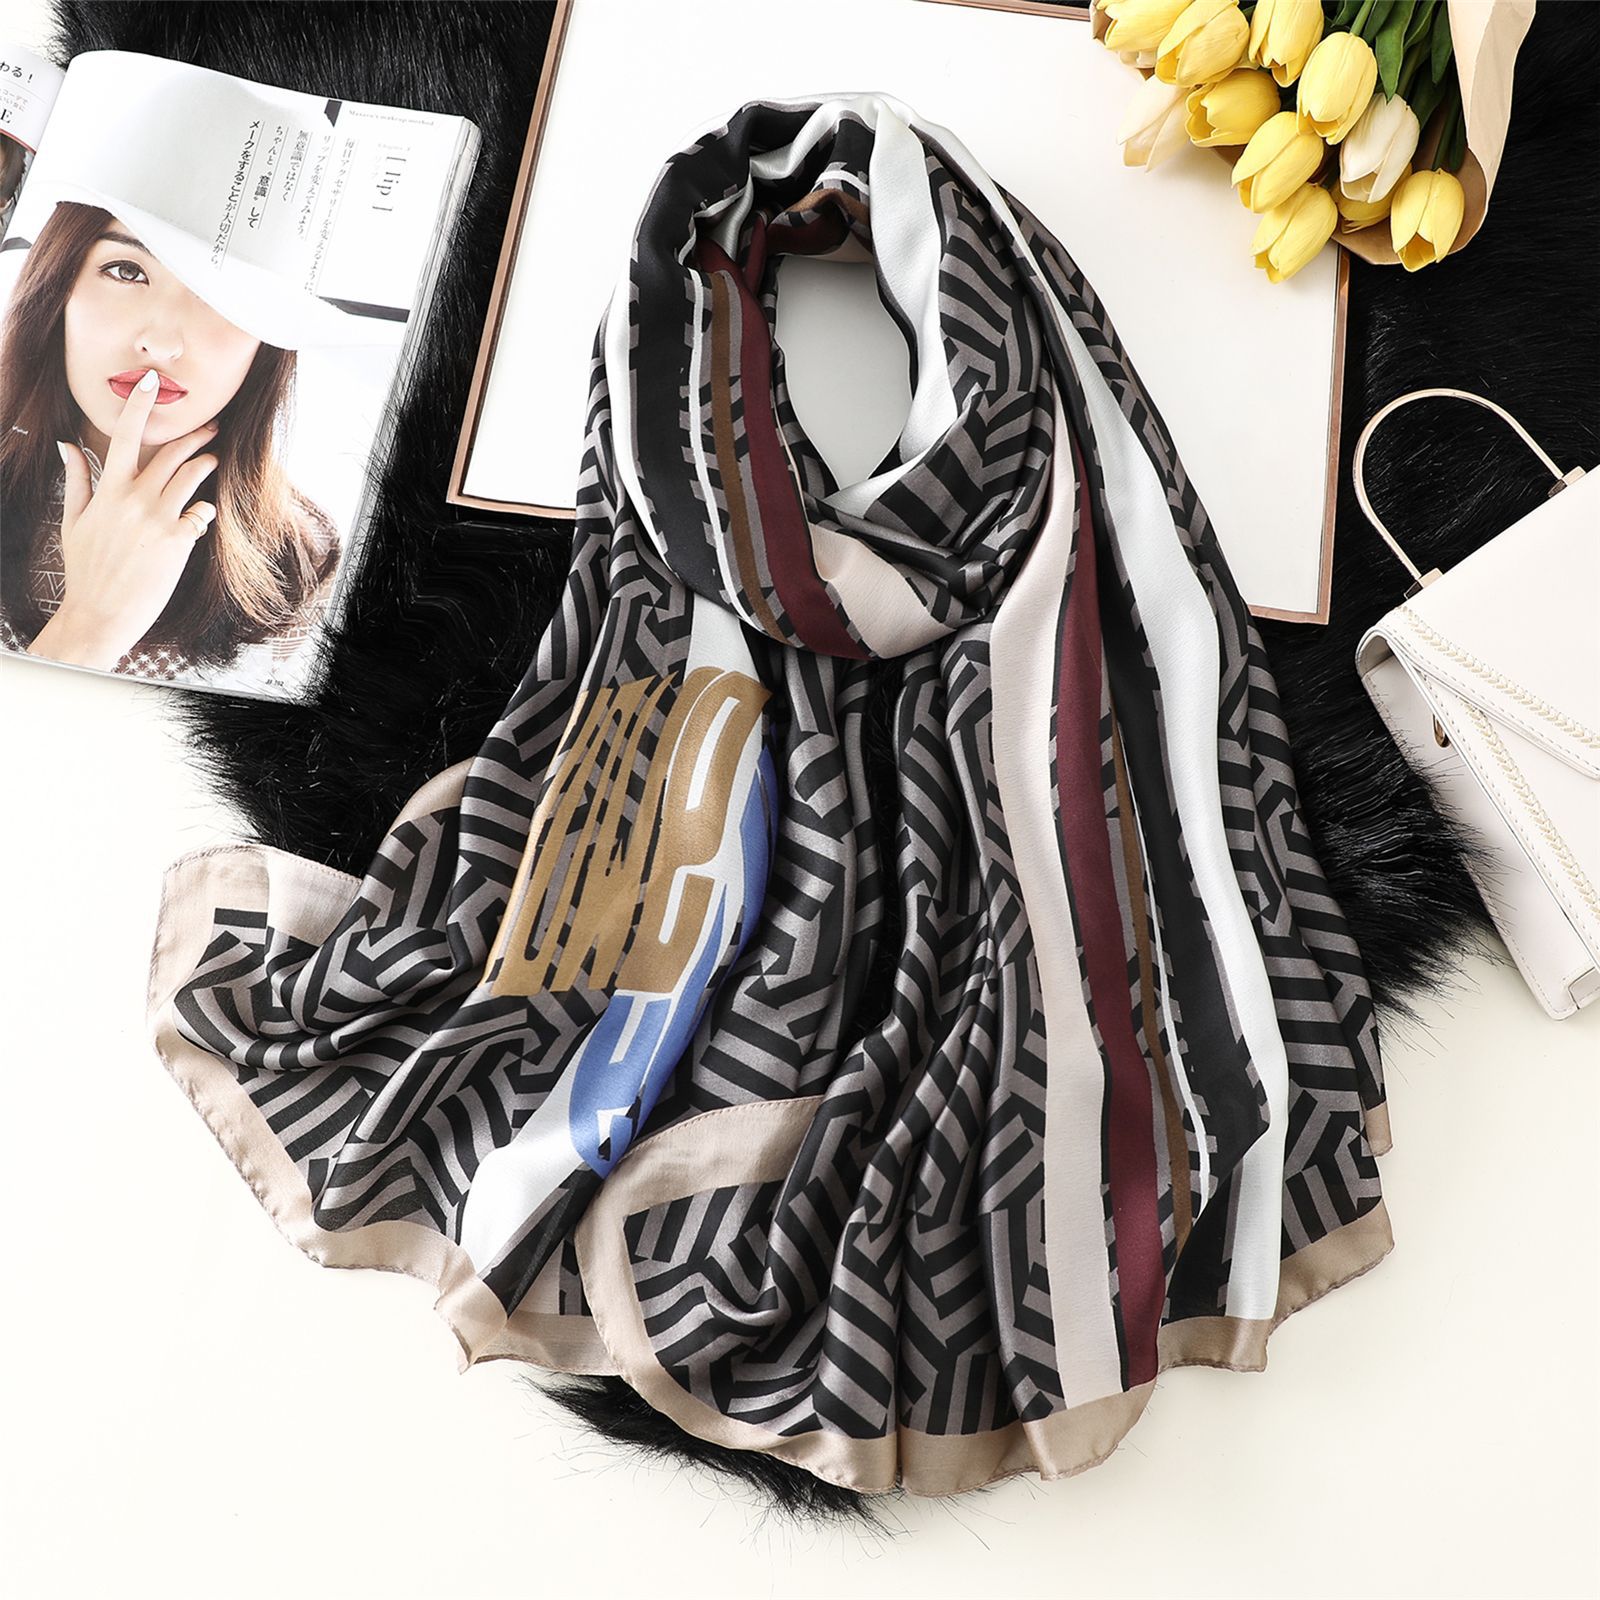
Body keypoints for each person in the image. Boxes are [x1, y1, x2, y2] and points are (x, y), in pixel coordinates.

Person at [0, 200, 337, 689]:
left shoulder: (305, 560)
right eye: (126, 271)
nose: (161, 344)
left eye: (223, 292)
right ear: (60, 282)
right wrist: (88, 627)